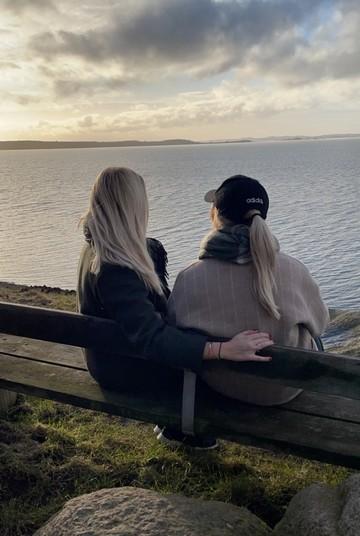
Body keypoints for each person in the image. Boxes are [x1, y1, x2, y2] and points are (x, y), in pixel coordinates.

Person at [77, 167, 273, 448]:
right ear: (134, 207)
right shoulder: (115, 268)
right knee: (213, 373)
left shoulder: (98, 250)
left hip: (109, 357)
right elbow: (152, 338)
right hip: (121, 369)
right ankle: (187, 430)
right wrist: (221, 349)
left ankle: (181, 428)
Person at [168, 174, 329, 406]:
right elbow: (321, 324)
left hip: (223, 387)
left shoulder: (190, 277)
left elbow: (175, 330)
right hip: (286, 389)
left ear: (215, 215)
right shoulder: (295, 270)